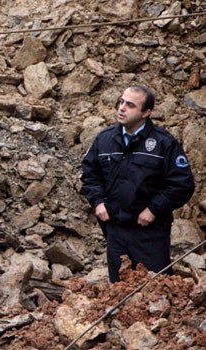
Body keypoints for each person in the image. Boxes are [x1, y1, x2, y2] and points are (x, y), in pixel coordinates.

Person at [81, 85, 195, 283]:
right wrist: (98, 202)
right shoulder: (105, 139)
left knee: (154, 290)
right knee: (119, 291)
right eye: (121, 101)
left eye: (130, 105)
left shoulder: (163, 143)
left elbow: (182, 184)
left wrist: (153, 209)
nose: (122, 108)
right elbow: (90, 175)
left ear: (146, 112)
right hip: (116, 229)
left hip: (150, 234)